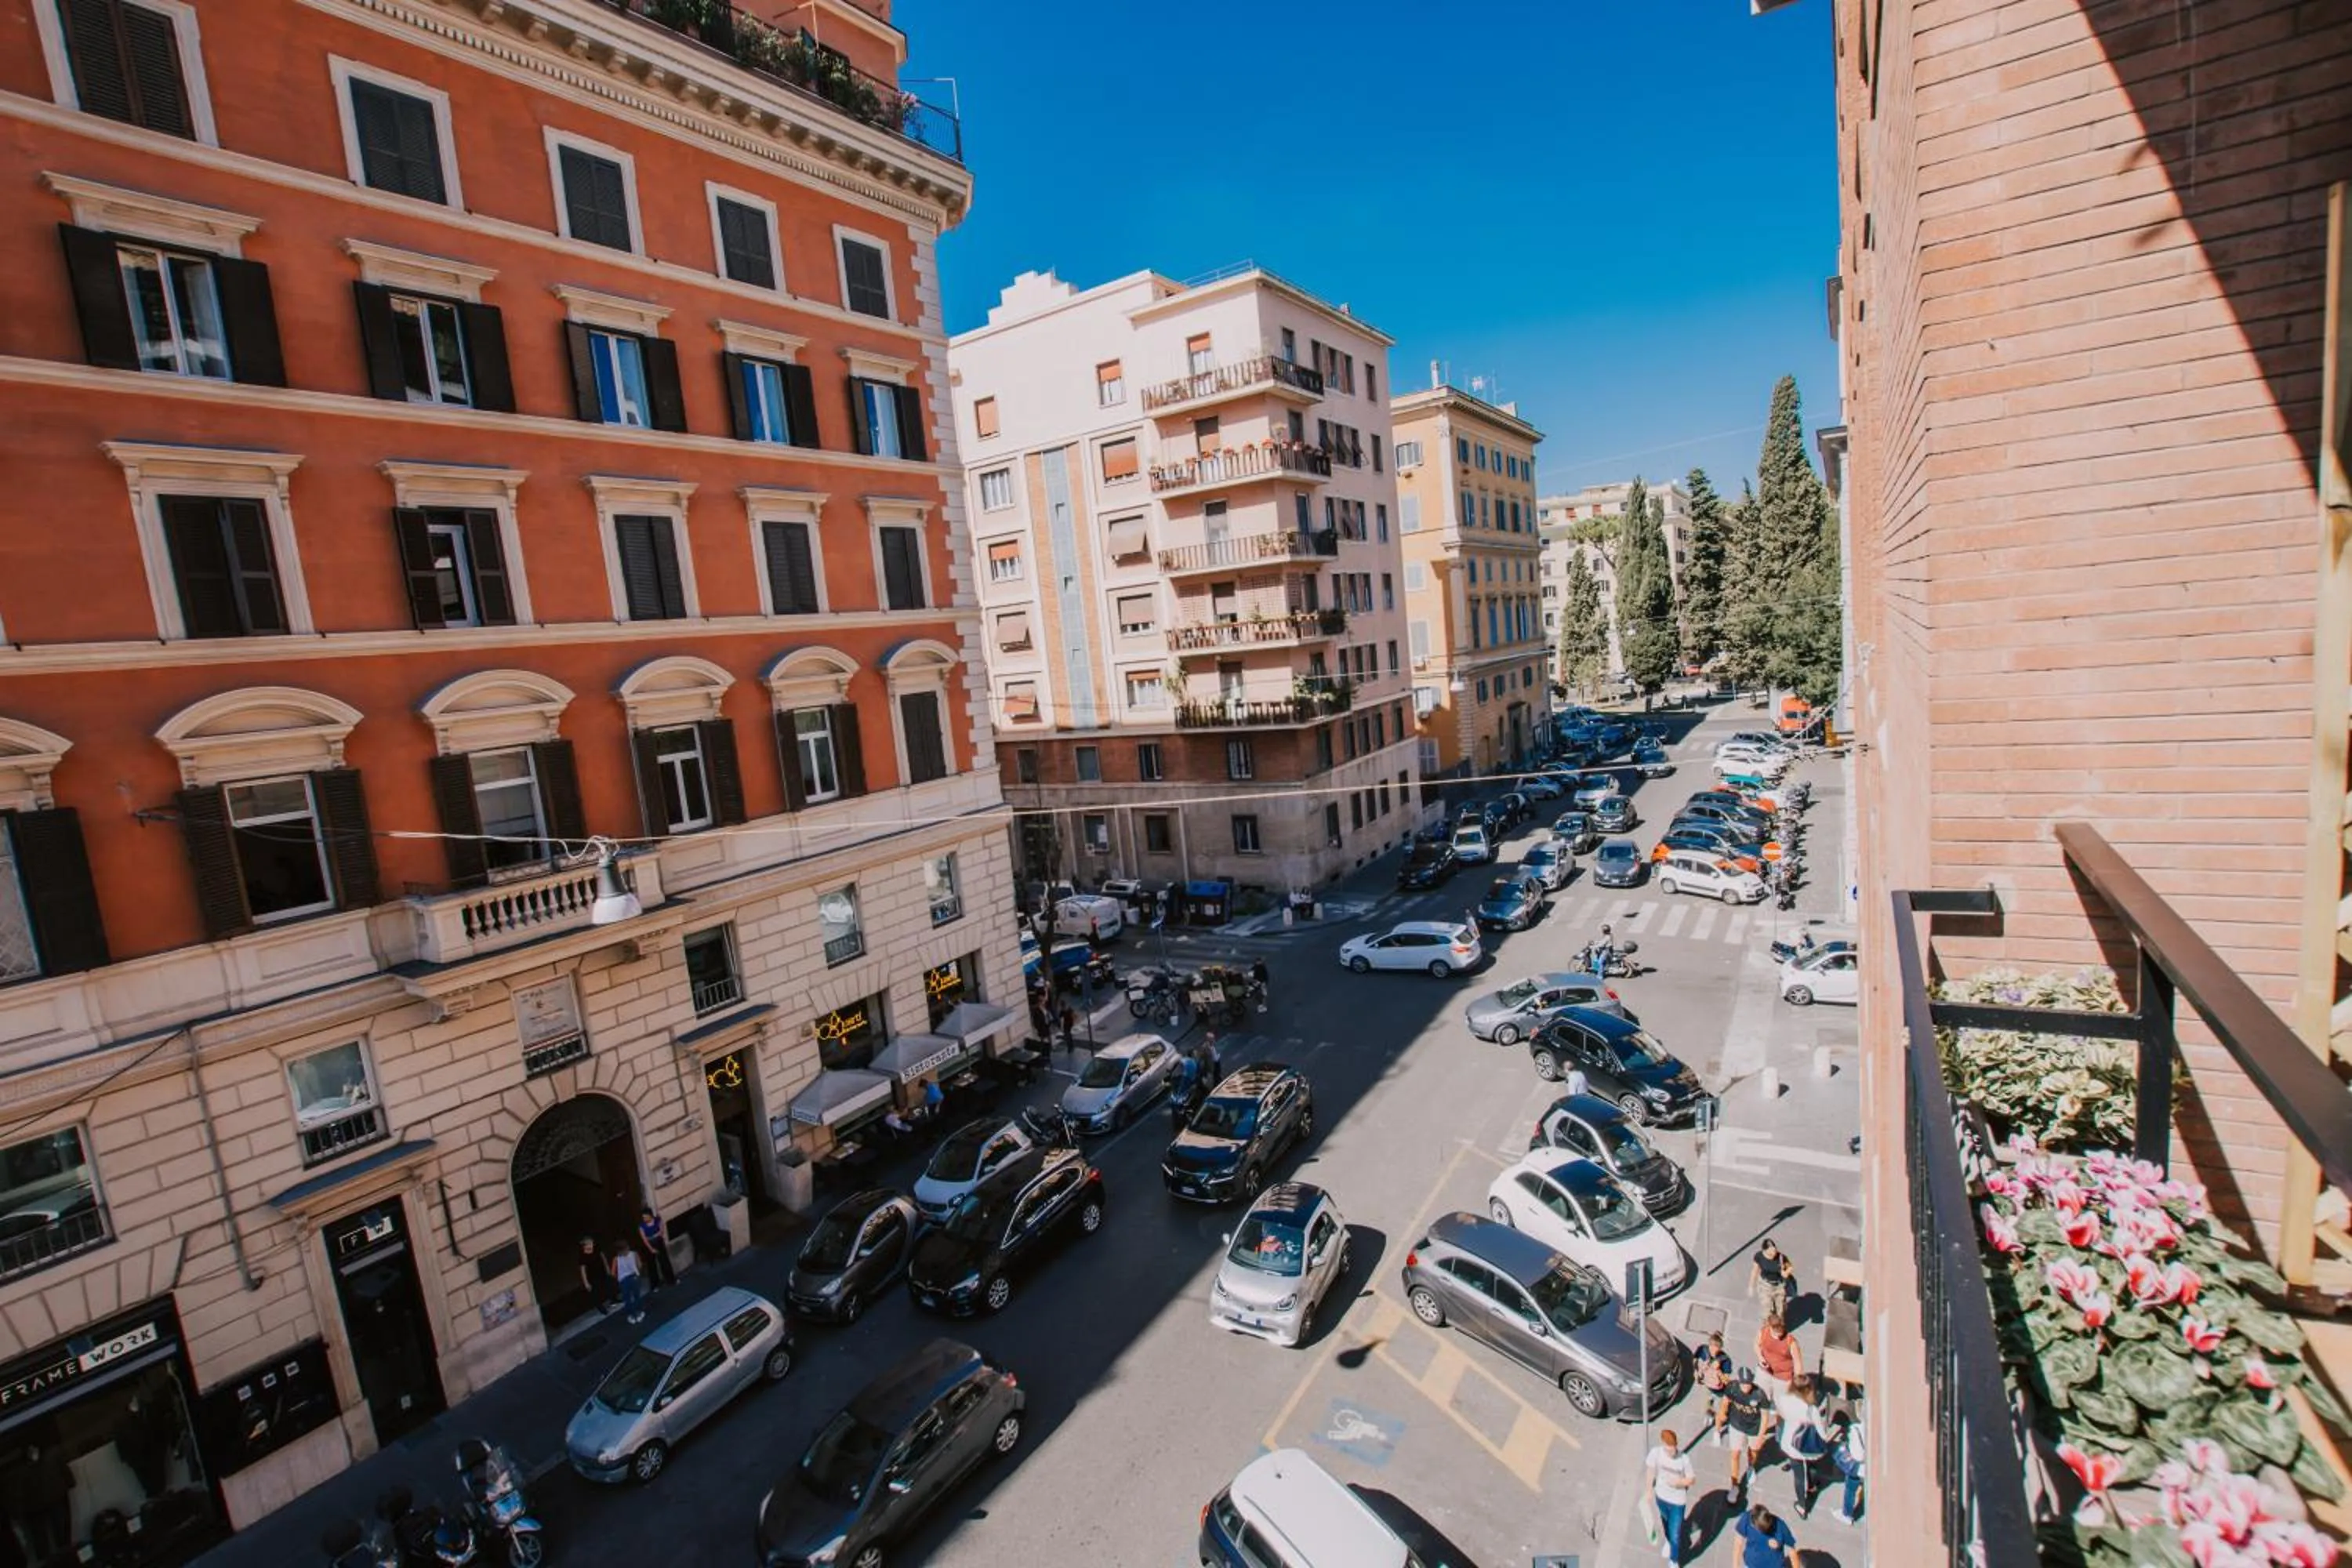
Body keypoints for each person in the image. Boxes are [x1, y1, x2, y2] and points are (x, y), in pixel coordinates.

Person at [1776, 1375, 1832, 1519]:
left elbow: (1781, 1414)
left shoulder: (1784, 1400)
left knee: (1799, 1476)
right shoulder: (1811, 1409)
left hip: (1792, 1444)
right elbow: (1822, 1432)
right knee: (1812, 1466)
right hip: (1810, 1447)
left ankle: (1802, 1506)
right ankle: (1813, 1486)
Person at [1643, 1427, 1696, 1564]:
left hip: (1678, 1501)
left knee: (1676, 1534)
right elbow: (1650, 1470)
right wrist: (1649, 1490)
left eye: (1673, 1449)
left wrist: (1679, 1483)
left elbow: (1692, 1479)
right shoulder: (1656, 1453)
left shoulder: (1684, 1459)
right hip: (1661, 1497)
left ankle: (1674, 1560)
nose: (1671, 1453)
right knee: (1665, 1522)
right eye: (1668, 1450)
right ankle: (1668, 1541)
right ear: (1663, 1445)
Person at [1722, 1367, 1773, 1498]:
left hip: (1753, 1427)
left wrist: (1761, 1436)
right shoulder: (1733, 1388)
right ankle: (1734, 1485)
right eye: (1744, 1384)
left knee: (1753, 1452)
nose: (1746, 1387)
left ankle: (1751, 1466)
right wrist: (1723, 1413)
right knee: (1735, 1454)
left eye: (1748, 1384)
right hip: (1736, 1424)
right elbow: (1726, 1400)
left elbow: (1765, 1417)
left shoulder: (1759, 1395)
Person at [1694, 1330, 1734, 1445]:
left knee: (1721, 1413)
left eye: (1716, 1347)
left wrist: (1719, 1370)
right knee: (1708, 1404)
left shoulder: (1725, 1360)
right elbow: (1695, 1358)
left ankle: (1717, 1431)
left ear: (1720, 1348)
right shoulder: (1703, 1350)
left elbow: (1727, 1381)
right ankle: (1709, 1415)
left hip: (1721, 1391)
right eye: (1711, 1346)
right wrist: (1696, 1372)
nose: (1713, 1350)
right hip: (1708, 1385)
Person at [1755, 1312, 1801, 1404]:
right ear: (1770, 1328)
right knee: (1761, 1395)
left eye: (1781, 1331)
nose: (1779, 1335)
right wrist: (1760, 1357)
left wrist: (1796, 1381)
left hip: (1783, 1376)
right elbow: (1756, 1345)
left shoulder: (1790, 1342)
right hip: (1765, 1371)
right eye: (1776, 1333)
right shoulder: (1763, 1332)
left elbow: (1798, 1363)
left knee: (1780, 1401)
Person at [1734, 1502, 1798, 1568]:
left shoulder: (1780, 1526)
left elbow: (1792, 1551)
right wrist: (1735, 1566)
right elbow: (1738, 1542)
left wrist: (1778, 1545)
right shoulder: (1747, 1518)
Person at [1834, 1410, 1866, 1523]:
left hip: (1859, 1468)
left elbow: (1859, 1456)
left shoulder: (1855, 1429)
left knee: (1850, 1489)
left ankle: (1847, 1515)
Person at [1751, 1238, 1795, 1321]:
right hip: (1765, 1285)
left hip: (1779, 1286)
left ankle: (1779, 1325)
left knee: (1780, 1310)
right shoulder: (1759, 1256)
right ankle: (1767, 1324)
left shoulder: (1781, 1257)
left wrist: (1786, 1273)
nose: (1773, 1254)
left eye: (1775, 1251)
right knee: (1766, 1309)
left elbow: (1790, 1267)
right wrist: (1751, 1286)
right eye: (1770, 1253)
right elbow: (1754, 1270)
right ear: (1764, 1251)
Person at [637, 1205, 676, 1289]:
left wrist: (654, 1236)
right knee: (652, 1265)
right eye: (643, 1217)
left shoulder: (657, 1220)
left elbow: (661, 1231)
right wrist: (651, 1249)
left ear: (650, 1215)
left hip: (659, 1242)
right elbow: (644, 1239)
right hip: (649, 1245)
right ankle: (655, 1285)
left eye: (646, 1217)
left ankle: (671, 1280)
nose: (644, 1219)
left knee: (664, 1261)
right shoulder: (641, 1226)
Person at [579, 1236, 618, 1315]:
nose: (591, 1245)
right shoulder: (582, 1257)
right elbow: (583, 1270)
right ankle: (601, 1308)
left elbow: (603, 1258)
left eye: (592, 1243)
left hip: (602, 1272)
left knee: (609, 1286)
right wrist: (586, 1283)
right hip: (593, 1277)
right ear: (584, 1246)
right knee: (596, 1293)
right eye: (589, 1244)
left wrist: (607, 1268)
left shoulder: (596, 1249)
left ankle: (613, 1300)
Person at [612, 1234, 644, 1323]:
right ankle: (637, 1313)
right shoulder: (633, 1254)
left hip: (625, 1279)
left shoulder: (616, 1259)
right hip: (633, 1277)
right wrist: (638, 1273)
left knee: (628, 1298)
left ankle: (633, 1315)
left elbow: (613, 1273)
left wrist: (619, 1277)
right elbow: (640, 1265)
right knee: (635, 1296)